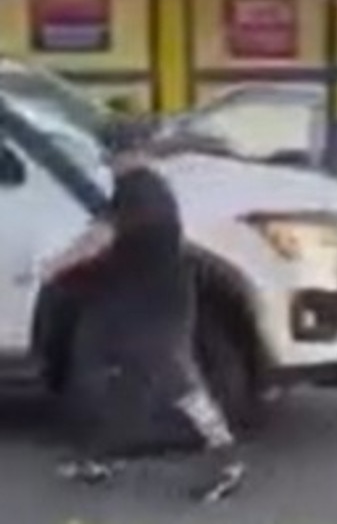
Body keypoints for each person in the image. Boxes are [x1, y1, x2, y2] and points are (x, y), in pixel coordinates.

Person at [45, 120, 245, 503]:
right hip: (125, 298)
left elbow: (100, 236)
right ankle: (101, 455)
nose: (109, 162)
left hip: (157, 303)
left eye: (113, 154)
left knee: (177, 381)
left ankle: (226, 461)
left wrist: (55, 265)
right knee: (102, 371)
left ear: (130, 153)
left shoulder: (141, 190)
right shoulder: (134, 187)